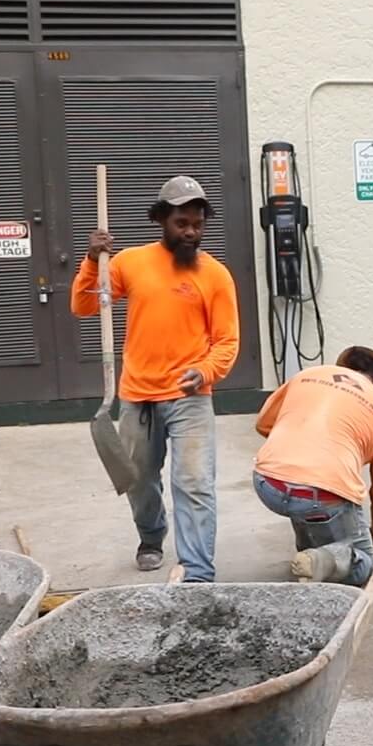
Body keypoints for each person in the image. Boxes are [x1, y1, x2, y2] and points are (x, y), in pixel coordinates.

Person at [73, 175, 239, 581]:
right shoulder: (129, 262)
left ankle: (197, 571)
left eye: (198, 224)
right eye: (182, 223)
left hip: (191, 396)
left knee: (195, 483)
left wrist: (205, 370)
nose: (191, 232)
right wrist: (93, 261)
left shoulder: (215, 275)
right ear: (161, 220)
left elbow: (227, 341)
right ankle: (151, 536)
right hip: (138, 396)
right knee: (140, 481)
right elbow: (83, 307)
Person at [253, 346, 373, 586]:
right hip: (320, 494)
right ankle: (320, 558)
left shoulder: (308, 376)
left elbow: (264, 423)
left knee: (309, 499)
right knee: (363, 561)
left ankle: (311, 555)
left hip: (267, 482)